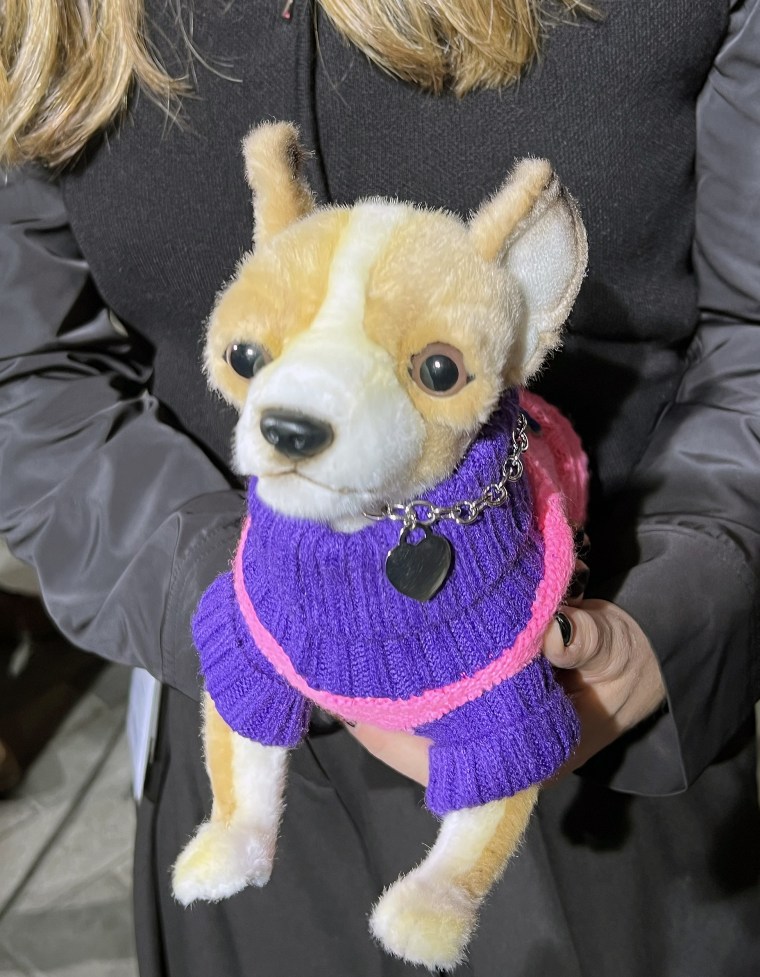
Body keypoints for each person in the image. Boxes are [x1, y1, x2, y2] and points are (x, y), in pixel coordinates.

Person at [1, 1, 758, 974]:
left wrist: (674, 605)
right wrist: (254, 613)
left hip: (609, 750)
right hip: (251, 733)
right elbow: (29, 379)